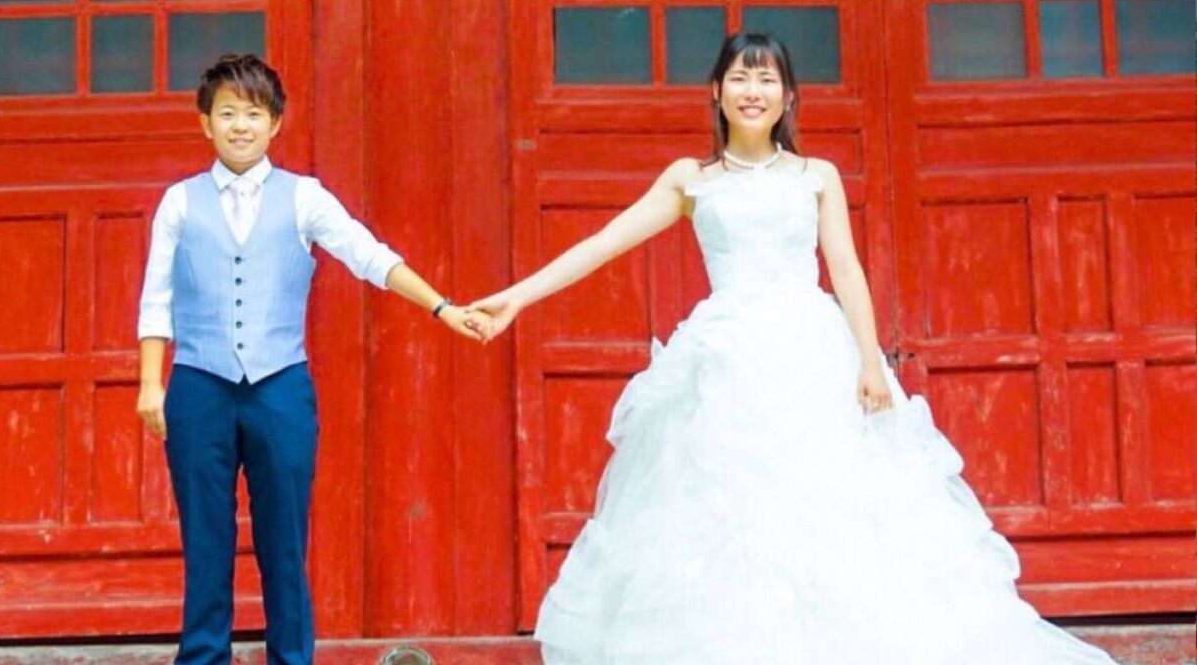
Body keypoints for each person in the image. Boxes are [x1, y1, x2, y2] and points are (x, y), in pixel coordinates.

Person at [469, 34, 1117, 664]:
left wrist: (871, 362)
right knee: (724, 519)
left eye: (766, 79)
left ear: (788, 96)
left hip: (813, 358)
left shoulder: (816, 176)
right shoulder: (692, 180)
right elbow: (604, 242)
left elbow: (846, 269)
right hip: (725, 365)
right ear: (716, 92)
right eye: (740, 78)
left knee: (834, 515)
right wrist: (517, 297)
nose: (752, 91)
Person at [134, 53, 490, 665]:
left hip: (280, 389)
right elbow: (155, 298)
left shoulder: (304, 197)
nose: (240, 126)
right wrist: (149, 385)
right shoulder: (180, 202)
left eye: (254, 114)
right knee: (205, 541)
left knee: (284, 542)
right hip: (198, 385)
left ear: (276, 123)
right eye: (227, 113)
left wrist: (442, 307)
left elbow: (368, 255)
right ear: (205, 123)